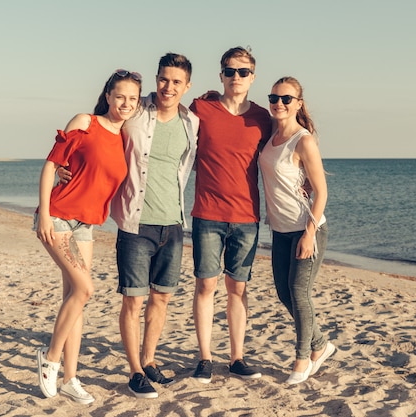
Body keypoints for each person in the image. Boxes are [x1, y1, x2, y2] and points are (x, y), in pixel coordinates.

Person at [59, 53, 198, 398]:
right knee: (133, 301)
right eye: (163, 79)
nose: (168, 87)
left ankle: (149, 361)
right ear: (156, 79)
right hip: (135, 224)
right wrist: (68, 166)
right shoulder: (135, 110)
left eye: (176, 82)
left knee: (161, 298)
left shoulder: (191, 121)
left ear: (187, 86)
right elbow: (98, 133)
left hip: (174, 223)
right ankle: (135, 370)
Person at [34, 69, 142, 403]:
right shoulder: (85, 121)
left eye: (133, 99)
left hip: (88, 225)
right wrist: (44, 214)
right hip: (60, 217)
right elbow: (52, 165)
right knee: (85, 289)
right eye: (120, 96)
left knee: (75, 298)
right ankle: (49, 360)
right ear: (108, 95)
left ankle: (70, 378)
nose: (125, 103)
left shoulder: (125, 135)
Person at [189, 46, 272, 383]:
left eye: (243, 72)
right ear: (221, 74)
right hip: (207, 213)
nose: (235, 77)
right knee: (206, 284)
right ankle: (206, 358)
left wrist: (308, 182)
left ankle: (237, 357)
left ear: (253, 77)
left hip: (246, 216)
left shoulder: (263, 117)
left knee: (237, 288)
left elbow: (284, 151)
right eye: (229, 71)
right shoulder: (201, 108)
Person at [258, 76, 335, 385]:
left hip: (307, 230)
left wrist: (309, 234)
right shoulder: (270, 135)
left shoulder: (303, 140)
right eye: (274, 97)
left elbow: (322, 192)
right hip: (279, 230)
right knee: (283, 292)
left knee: (299, 293)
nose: (279, 103)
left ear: (298, 104)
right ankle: (322, 345)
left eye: (286, 99)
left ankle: (303, 359)